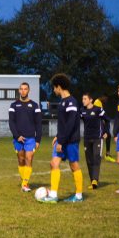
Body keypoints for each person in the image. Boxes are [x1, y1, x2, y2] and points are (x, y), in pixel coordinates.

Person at [38, 73, 84, 203]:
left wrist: (61, 141)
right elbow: (64, 123)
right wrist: (58, 136)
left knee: (74, 165)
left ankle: (79, 196)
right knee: (54, 163)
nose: (53, 90)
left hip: (70, 141)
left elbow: (70, 124)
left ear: (59, 87)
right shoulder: (63, 102)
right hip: (62, 139)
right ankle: (53, 195)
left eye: (54, 87)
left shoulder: (71, 102)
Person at [8, 82, 42, 192]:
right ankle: (24, 181)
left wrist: (38, 139)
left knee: (29, 158)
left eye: (25, 89)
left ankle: (25, 183)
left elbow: (38, 124)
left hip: (30, 138)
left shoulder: (35, 106)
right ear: (19, 90)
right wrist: (17, 136)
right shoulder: (13, 106)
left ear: (28, 90)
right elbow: (11, 122)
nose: (23, 91)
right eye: (21, 89)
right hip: (18, 138)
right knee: (21, 160)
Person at [80, 92, 110, 189]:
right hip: (87, 138)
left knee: (96, 158)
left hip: (97, 138)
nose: (83, 101)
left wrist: (106, 131)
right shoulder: (82, 111)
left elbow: (107, 120)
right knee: (89, 160)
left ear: (90, 100)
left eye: (85, 99)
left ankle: (94, 181)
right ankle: (92, 180)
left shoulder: (98, 110)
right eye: (82, 99)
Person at [94, 95, 117, 162]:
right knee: (101, 137)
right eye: (105, 98)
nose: (106, 99)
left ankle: (106, 154)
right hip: (100, 123)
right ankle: (99, 154)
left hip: (104, 122)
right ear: (102, 96)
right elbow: (99, 114)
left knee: (107, 136)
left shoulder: (101, 102)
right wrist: (104, 122)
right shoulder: (97, 102)